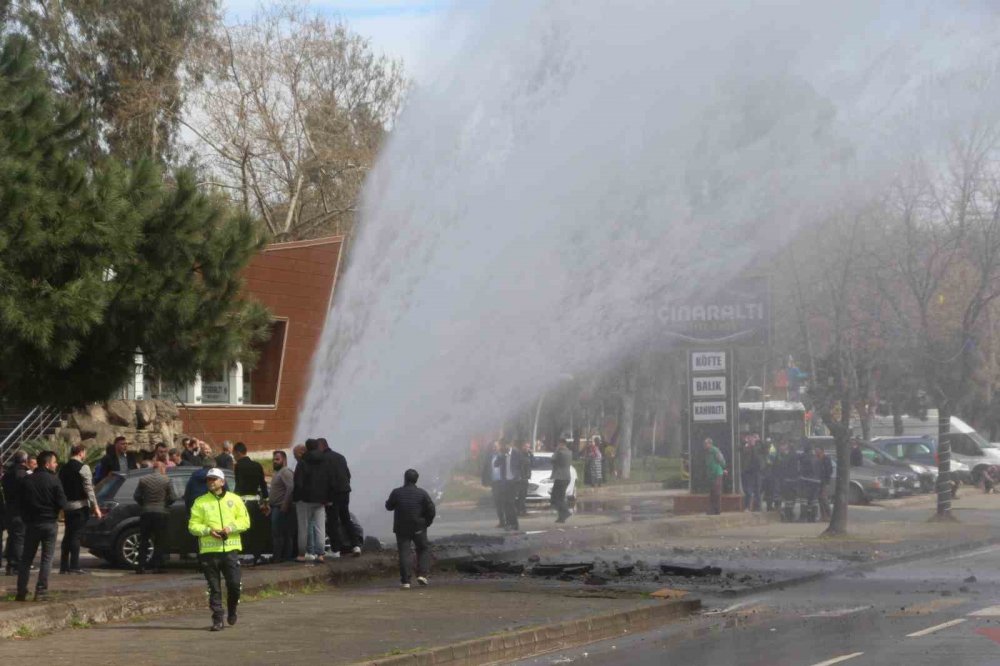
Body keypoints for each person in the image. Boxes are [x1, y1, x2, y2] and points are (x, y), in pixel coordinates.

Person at [188, 468, 251, 631]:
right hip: (209, 552)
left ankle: (232, 609)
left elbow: (245, 522)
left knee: (234, 585)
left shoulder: (235, 499)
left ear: (222, 482)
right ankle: (217, 618)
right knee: (214, 588)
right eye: (209, 479)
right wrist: (208, 531)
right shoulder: (200, 502)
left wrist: (230, 528)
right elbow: (193, 526)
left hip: (230, 550)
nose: (211, 482)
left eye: (214, 479)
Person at [16, 450, 67, 601]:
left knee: (26, 559)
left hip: (32, 523)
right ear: (47, 463)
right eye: (54, 462)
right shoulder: (54, 480)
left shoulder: (27, 480)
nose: (56, 465)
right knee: (47, 558)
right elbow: (62, 503)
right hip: (49, 523)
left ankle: (21, 591)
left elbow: (20, 502)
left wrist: (26, 518)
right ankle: (41, 590)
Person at [385, 468, 436, 589]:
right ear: (416, 480)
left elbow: (388, 506)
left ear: (405, 478)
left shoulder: (396, 492)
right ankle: (422, 575)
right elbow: (431, 510)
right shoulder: (422, 493)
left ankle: (406, 581)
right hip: (418, 527)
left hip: (401, 528)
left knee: (404, 552)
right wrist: (426, 523)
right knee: (423, 548)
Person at [58, 444, 101, 574]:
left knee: (68, 535)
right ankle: (74, 566)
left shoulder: (63, 468)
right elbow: (89, 489)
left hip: (67, 506)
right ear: (81, 452)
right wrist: (95, 507)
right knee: (76, 536)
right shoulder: (83, 467)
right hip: (80, 506)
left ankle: (64, 565)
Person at [317, 438, 361, 557]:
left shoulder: (322, 459)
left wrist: (325, 496)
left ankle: (336, 549)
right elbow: (348, 474)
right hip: (345, 491)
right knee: (346, 519)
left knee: (332, 522)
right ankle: (356, 546)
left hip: (332, 494)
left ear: (321, 446)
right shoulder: (341, 457)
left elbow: (325, 479)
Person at [134, 461, 177, 573]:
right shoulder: (167, 480)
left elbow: (136, 496)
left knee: (144, 540)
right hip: (161, 513)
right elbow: (173, 497)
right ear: (162, 468)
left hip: (146, 512)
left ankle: (141, 566)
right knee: (160, 540)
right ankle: (158, 566)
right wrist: (165, 504)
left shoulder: (143, 480)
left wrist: (144, 504)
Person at [293, 439, 329, 563]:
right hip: (320, 500)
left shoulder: (302, 462)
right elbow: (328, 480)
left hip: (304, 500)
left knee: (303, 527)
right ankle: (320, 555)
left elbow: (298, 483)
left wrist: (296, 498)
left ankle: (302, 555)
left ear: (307, 448)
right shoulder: (324, 461)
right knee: (320, 527)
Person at [2, 451, 30, 576]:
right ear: (25, 461)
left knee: (13, 537)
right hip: (20, 511)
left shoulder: (7, 474)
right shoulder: (23, 475)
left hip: (9, 509)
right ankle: (16, 565)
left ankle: (11, 564)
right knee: (19, 538)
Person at [268, 450, 295, 563]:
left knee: (281, 534)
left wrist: (285, 504)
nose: (274, 461)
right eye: (274, 459)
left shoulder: (285, 472)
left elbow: (291, 487)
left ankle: (281, 558)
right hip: (275, 507)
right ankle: (279, 557)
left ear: (284, 460)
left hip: (281, 508)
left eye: (277, 459)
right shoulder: (278, 472)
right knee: (278, 533)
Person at [481, 441, 504, 528]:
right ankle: (502, 521)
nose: (494, 448)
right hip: (494, 482)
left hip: (503, 482)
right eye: (493, 446)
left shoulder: (503, 456)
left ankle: (508, 521)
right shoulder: (490, 457)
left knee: (504, 502)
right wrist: (484, 481)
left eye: (496, 446)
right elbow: (485, 469)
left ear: (500, 447)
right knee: (497, 503)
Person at [549, 440, 573, 523]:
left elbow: (552, 459)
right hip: (566, 477)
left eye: (559, 444)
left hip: (560, 477)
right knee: (560, 498)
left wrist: (556, 450)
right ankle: (561, 517)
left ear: (561, 444)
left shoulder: (560, 452)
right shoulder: (569, 452)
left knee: (556, 498)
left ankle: (566, 512)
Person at [776, 441, 800, 522]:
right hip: (793, 480)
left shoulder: (787, 456)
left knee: (789, 499)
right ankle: (788, 514)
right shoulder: (795, 455)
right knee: (791, 499)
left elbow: (783, 467)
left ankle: (788, 515)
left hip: (788, 481)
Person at [797, 443, 820, 522]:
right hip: (816, 482)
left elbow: (801, 469)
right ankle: (813, 517)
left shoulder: (804, 458)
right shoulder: (816, 458)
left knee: (804, 500)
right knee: (814, 500)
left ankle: (803, 517)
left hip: (806, 481)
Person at [703, 438, 726, 515]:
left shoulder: (715, 450)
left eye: (706, 443)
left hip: (717, 473)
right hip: (711, 475)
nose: (705, 445)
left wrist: (723, 468)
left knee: (717, 492)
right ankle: (712, 510)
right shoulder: (706, 452)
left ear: (710, 444)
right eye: (704, 444)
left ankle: (717, 510)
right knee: (712, 492)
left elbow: (721, 460)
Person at [740, 435, 761, 512]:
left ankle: (756, 507)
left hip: (756, 471)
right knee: (747, 490)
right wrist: (745, 442)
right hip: (747, 471)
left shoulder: (758, 447)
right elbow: (739, 448)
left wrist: (755, 444)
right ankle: (747, 506)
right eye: (750, 439)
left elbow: (757, 457)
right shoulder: (745, 447)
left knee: (756, 490)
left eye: (753, 438)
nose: (751, 440)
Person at [815, 446, 834, 520]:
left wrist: (826, 481)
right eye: (816, 451)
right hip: (818, 481)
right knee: (820, 499)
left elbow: (829, 471)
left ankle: (829, 515)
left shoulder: (826, 459)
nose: (817, 453)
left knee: (824, 498)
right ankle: (823, 516)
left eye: (818, 451)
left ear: (822, 451)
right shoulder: (816, 459)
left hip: (824, 482)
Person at [516, 441, 533, 517]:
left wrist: (531, 454)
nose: (527, 448)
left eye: (528, 447)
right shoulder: (520, 455)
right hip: (521, 478)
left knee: (523, 495)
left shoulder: (528, 455)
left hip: (525, 477)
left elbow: (532, 463)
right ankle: (520, 511)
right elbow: (518, 466)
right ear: (522, 447)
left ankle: (522, 510)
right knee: (521, 495)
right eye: (526, 446)